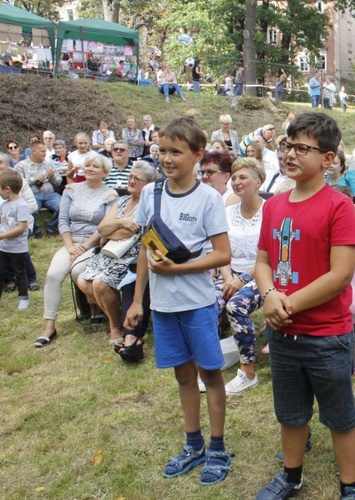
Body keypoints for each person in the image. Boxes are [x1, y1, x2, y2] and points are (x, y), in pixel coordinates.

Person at [254, 112, 355, 500]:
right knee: (291, 413)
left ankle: (350, 486)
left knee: (340, 416)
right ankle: (291, 475)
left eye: (303, 147)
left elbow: (341, 275)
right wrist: (270, 296)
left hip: (326, 336)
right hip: (283, 335)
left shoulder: (339, 207)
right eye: (287, 145)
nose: (290, 154)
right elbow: (264, 259)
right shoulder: (273, 206)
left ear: (329, 158)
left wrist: (287, 304)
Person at [124, 117, 233, 485]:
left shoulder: (209, 199)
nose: (167, 159)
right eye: (162, 151)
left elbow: (222, 255)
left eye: (176, 151)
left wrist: (177, 271)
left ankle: (217, 448)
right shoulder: (152, 194)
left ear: (198, 155)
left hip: (197, 303)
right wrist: (138, 301)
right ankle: (194, 444)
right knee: (184, 376)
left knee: (210, 375)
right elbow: (145, 248)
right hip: (163, 307)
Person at [35, 154, 118, 348]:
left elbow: (104, 227)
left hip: (94, 243)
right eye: (87, 165)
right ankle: (49, 326)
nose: (89, 169)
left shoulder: (111, 194)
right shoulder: (70, 189)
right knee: (53, 274)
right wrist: (70, 246)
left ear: (105, 173)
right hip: (70, 242)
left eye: (95, 167)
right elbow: (63, 221)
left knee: (78, 272)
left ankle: (111, 317)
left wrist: (85, 247)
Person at [77, 162, 157, 346]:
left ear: (148, 184)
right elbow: (101, 228)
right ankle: (119, 315)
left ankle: (115, 325)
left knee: (99, 284)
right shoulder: (121, 201)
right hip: (109, 252)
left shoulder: (148, 204)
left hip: (130, 257)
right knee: (82, 280)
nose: (131, 181)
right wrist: (121, 222)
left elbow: (128, 233)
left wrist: (111, 231)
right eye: (130, 177)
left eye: (137, 179)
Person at [214, 157, 266, 394]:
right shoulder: (228, 212)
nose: (236, 182)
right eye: (233, 177)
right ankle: (211, 365)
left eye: (243, 177)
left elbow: (271, 255)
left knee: (235, 306)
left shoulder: (270, 212)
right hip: (229, 272)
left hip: (262, 274)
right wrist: (227, 277)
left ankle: (248, 371)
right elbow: (221, 251)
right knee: (208, 303)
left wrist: (242, 278)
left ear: (258, 182)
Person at [0, 153, 38, 293]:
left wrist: (15, 213)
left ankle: (31, 277)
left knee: (18, 250)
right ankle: (9, 279)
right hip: (3, 227)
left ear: (7, 164)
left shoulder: (18, 182)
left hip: (19, 225)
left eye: (0, 163)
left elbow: (32, 205)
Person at [14, 139, 62, 237]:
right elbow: (17, 183)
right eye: (43, 151)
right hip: (33, 195)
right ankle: (35, 231)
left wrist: (53, 176)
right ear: (33, 151)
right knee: (31, 209)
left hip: (50, 194)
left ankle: (51, 228)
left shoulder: (49, 164)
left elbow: (59, 181)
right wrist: (33, 179)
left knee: (63, 207)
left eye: (45, 151)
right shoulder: (21, 165)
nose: (45, 153)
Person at [0, 170, 32, 310]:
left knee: (20, 273)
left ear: (7, 189)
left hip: (17, 248)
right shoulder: (4, 205)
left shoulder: (22, 205)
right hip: (3, 247)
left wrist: (1, 236)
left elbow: (21, 228)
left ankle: (23, 298)